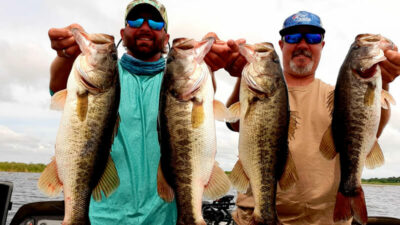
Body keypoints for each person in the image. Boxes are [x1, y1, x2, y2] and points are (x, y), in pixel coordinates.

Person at [205, 11, 400, 225]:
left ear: (322, 45)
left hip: (325, 220)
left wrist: (384, 81)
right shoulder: (262, 89)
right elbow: (235, 122)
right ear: (281, 44)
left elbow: (371, 128)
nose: (303, 44)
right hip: (255, 217)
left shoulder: (341, 95)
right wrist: (244, 76)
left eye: (313, 38)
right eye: (293, 37)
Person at [48, 0, 177, 224]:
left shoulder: (178, 82)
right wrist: (64, 55)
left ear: (166, 38)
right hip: (104, 218)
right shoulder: (104, 74)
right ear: (123, 32)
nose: (145, 27)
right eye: (135, 20)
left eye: (156, 22)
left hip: (164, 218)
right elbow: (58, 87)